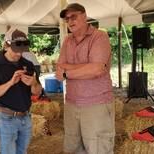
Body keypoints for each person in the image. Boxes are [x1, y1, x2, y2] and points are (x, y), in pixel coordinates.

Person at [56, 3, 115, 154]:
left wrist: (67, 72)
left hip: (96, 104)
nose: (70, 21)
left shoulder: (99, 36)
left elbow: (96, 69)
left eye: (73, 16)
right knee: (73, 147)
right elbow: (59, 70)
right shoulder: (67, 41)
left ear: (85, 16)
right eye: (67, 19)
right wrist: (85, 68)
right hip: (71, 104)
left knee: (98, 148)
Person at [0, 28, 42, 154]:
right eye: (16, 50)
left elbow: (37, 91)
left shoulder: (28, 64)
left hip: (25, 117)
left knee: (22, 152)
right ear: (6, 45)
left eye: (22, 50)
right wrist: (10, 83)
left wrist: (33, 83)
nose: (19, 54)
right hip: (6, 118)